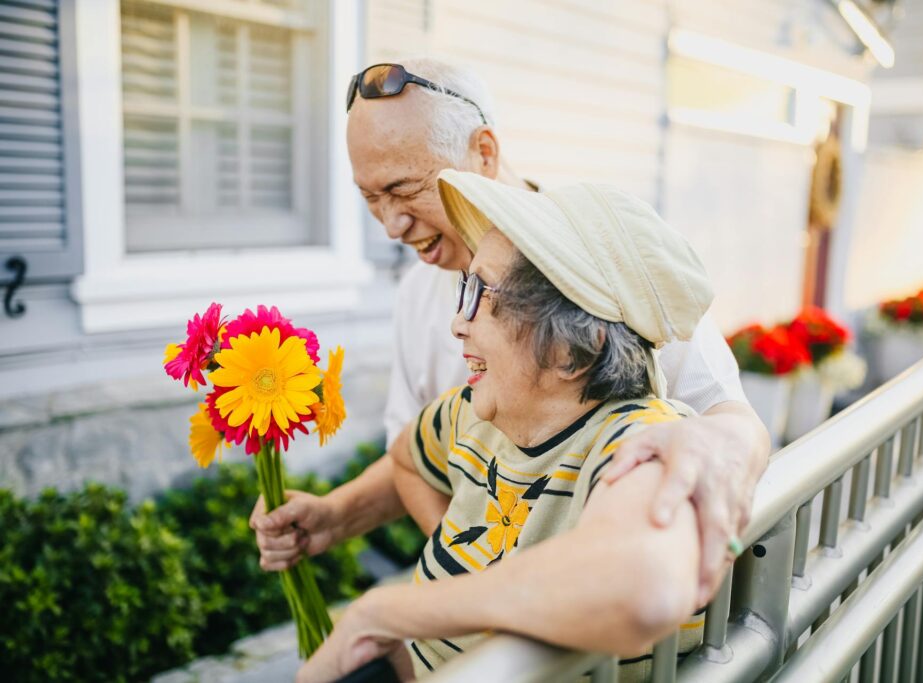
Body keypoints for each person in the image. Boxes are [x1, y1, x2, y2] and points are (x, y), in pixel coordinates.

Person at [251, 58, 769, 609]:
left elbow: (728, 418)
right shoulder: (416, 293)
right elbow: (420, 450)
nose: (391, 225)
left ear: (485, 153)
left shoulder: (599, 260)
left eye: (403, 189)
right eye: (370, 198)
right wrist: (340, 517)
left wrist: (725, 449)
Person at [297, 169, 720, 682]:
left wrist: (380, 613)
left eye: (484, 294)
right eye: (463, 288)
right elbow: (407, 460)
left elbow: (642, 591)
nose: (459, 321)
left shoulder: (637, 441)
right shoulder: (471, 415)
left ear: (572, 350)